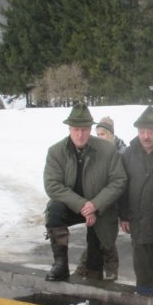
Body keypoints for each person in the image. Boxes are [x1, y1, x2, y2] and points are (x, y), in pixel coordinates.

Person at [43, 104, 127, 281]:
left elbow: (119, 181)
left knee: (94, 258)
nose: (80, 135)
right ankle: (60, 264)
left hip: (99, 208)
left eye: (84, 129)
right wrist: (82, 205)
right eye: (76, 130)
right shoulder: (56, 152)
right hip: (72, 206)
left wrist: (95, 205)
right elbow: (52, 185)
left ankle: (94, 275)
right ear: (69, 129)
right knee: (55, 211)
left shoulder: (107, 150)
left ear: (90, 129)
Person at [119, 106, 153, 293]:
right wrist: (124, 215)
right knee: (142, 272)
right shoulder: (129, 153)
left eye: (150, 131)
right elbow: (123, 186)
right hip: (138, 221)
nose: (146, 136)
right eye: (142, 131)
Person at [73, 116, 126, 281]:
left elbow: (121, 181)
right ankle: (101, 268)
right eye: (97, 133)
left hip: (115, 201)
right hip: (98, 201)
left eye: (102, 134)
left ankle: (95, 268)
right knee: (98, 235)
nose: (99, 137)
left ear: (111, 134)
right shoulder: (95, 151)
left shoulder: (122, 152)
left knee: (105, 236)